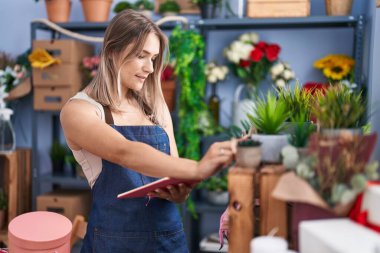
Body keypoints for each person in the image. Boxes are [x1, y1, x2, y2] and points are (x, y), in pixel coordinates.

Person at [60, 10, 234, 253]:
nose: (150, 68)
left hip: (168, 240)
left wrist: (180, 192)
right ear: (112, 52)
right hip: (113, 244)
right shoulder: (79, 111)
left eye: (153, 58)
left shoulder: (154, 106)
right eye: (142, 56)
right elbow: (124, 151)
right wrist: (197, 167)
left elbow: (171, 166)